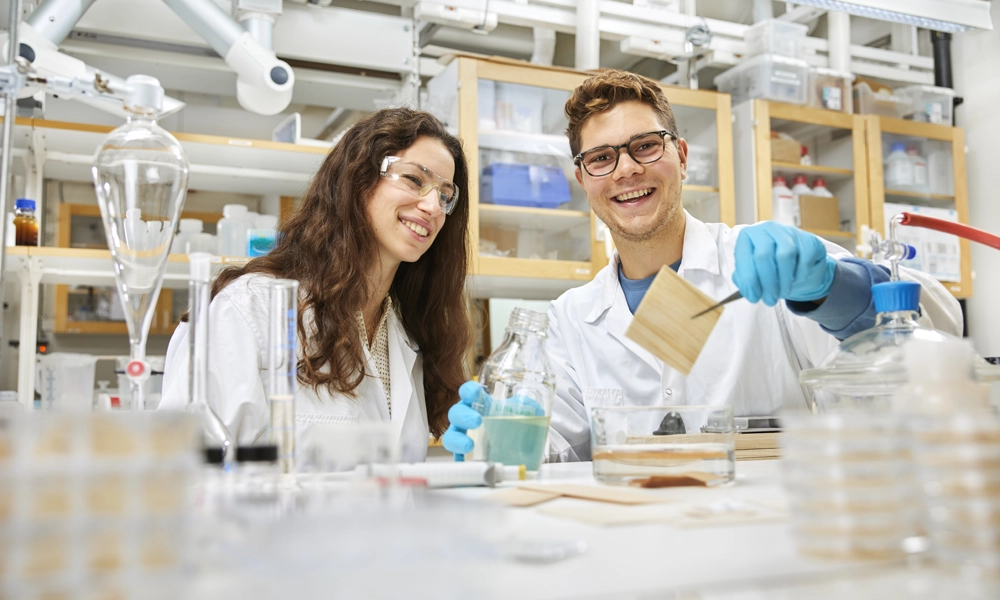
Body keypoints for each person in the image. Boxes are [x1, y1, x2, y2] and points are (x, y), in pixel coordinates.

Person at [443, 70, 962, 462]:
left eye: (645, 146)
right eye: (601, 158)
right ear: (583, 181)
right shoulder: (570, 320)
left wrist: (829, 287)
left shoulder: (768, 265)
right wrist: (498, 436)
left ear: (683, 157)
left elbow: (935, 328)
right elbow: (556, 455)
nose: (626, 169)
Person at [160, 108, 472, 462]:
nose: (433, 206)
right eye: (415, 180)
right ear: (358, 180)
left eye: (445, 195)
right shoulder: (250, 309)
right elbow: (177, 468)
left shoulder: (405, 338)